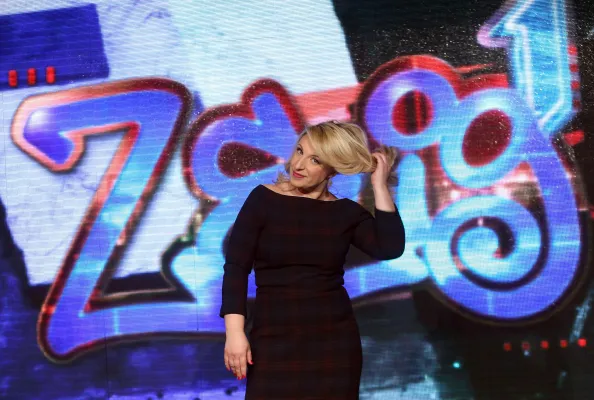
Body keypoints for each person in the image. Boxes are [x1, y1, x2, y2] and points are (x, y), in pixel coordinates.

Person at [219, 120, 406, 399]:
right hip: (272, 338)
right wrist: (234, 333)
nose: (299, 164)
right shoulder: (263, 199)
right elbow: (236, 267)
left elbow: (390, 247)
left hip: (333, 343)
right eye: (299, 151)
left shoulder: (345, 212)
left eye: (315, 159)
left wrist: (379, 186)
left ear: (333, 167)